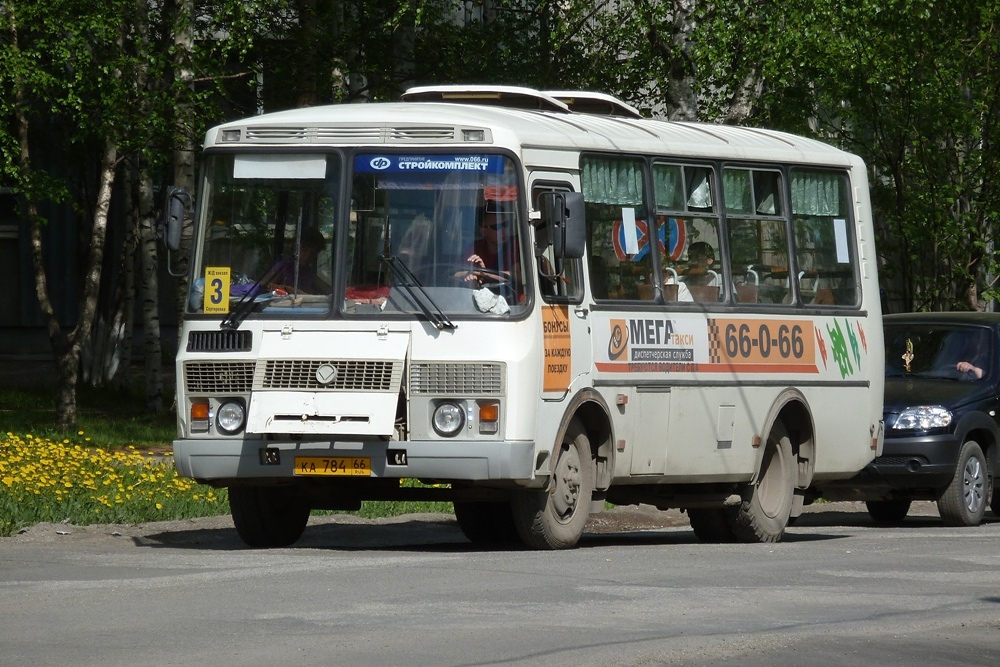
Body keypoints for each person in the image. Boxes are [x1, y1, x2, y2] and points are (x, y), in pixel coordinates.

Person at [270, 227, 329, 294]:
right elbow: (264, 286)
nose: (307, 256)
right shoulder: (283, 266)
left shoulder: (308, 273)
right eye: (304, 250)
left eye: (312, 253)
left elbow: (326, 289)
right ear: (295, 247)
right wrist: (287, 289)